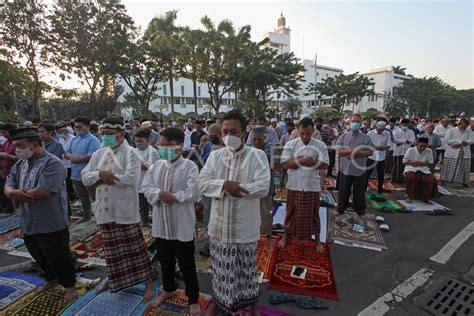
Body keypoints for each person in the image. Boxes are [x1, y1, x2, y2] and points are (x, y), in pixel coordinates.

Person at [198, 111, 270, 316]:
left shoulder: (257, 155)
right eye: (225, 131)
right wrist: (223, 185)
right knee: (220, 272)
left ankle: (253, 307)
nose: (228, 135)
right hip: (219, 227)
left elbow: (263, 187)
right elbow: (202, 183)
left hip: (244, 227)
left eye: (233, 131)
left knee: (246, 272)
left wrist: (237, 188)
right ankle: (219, 304)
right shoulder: (215, 156)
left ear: (244, 131)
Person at [81, 117, 154, 299]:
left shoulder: (130, 153)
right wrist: (100, 174)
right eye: (103, 133)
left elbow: (131, 179)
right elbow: (85, 177)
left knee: (136, 250)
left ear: (121, 134)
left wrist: (106, 177)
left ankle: (148, 283)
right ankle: (113, 279)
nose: (105, 137)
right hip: (104, 210)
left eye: (110, 134)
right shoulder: (99, 153)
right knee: (112, 251)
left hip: (125, 209)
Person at [4, 127, 77, 302]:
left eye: (20, 146)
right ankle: (51, 280)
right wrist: (11, 193)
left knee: (59, 255)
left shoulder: (52, 163)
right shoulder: (20, 164)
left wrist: (17, 194)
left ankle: (70, 286)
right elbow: (8, 185)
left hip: (51, 220)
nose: (17, 150)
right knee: (39, 254)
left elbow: (45, 191)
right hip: (28, 220)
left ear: (34, 144)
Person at [141, 127, 201, 315]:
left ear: (179, 146)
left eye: (169, 145)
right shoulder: (156, 166)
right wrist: (159, 194)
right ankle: (168, 288)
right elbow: (146, 187)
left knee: (186, 264)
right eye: (162, 144)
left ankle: (193, 298)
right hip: (161, 224)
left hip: (182, 224)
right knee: (165, 260)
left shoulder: (189, 166)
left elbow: (194, 192)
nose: (164, 148)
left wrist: (174, 197)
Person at [279, 117, 329, 251]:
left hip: (311, 186)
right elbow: (285, 163)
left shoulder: (320, 145)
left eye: (308, 133)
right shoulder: (291, 144)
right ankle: (285, 236)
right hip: (294, 184)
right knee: (290, 212)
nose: (305, 136)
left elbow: (324, 165)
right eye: (302, 133)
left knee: (314, 214)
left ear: (313, 131)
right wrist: (302, 160)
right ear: (298, 131)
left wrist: (311, 162)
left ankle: (317, 240)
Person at [64, 116, 101, 223]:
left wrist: (77, 159)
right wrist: (73, 158)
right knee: (82, 196)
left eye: (80, 127)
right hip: (76, 173)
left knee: (95, 197)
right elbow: (66, 152)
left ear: (87, 127)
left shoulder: (93, 140)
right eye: (75, 127)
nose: (77, 129)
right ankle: (87, 215)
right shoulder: (75, 140)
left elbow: (92, 156)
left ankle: (100, 217)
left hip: (89, 174)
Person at [336, 114, 374, 216]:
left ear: (361, 124)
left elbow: (370, 152)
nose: (355, 124)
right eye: (354, 121)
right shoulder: (343, 136)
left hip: (359, 169)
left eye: (358, 122)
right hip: (345, 169)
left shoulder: (366, 138)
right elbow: (338, 151)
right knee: (343, 190)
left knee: (359, 191)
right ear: (349, 123)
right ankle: (341, 208)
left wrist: (356, 153)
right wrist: (351, 151)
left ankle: (360, 209)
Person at [251, 126, 276, 245]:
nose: (256, 142)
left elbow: (266, 162)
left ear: (264, 138)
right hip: (252, 185)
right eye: (254, 139)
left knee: (266, 212)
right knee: (252, 212)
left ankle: (268, 235)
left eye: (259, 139)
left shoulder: (269, 147)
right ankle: (254, 235)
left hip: (266, 185)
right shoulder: (250, 148)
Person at [134, 129, 160, 226]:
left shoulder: (152, 152)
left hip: (150, 182)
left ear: (147, 141)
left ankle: (157, 221)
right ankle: (144, 221)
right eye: (136, 141)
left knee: (153, 204)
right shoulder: (133, 151)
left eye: (141, 141)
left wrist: (139, 165)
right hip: (137, 182)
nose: (138, 143)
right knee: (141, 205)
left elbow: (153, 167)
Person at [441, 118, 474, 188]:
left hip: (464, 153)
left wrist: (461, 144)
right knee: (449, 167)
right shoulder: (451, 130)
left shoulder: (469, 131)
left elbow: (472, 140)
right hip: (452, 152)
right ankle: (445, 181)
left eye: (465, 127)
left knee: (465, 168)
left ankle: (464, 182)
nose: (464, 128)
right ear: (459, 124)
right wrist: (460, 142)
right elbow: (447, 140)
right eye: (463, 126)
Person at [403, 138, 438, 203]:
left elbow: (430, 162)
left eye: (425, 146)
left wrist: (422, 163)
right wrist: (413, 162)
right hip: (411, 168)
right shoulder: (410, 150)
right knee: (411, 177)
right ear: (417, 144)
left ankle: (426, 197)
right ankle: (409, 196)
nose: (422, 148)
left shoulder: (429, 151)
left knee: (432, 179)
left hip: (423, 169)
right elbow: (404, 161)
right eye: (421, 146)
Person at [365, 121, 392, 193]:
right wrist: (378, 147)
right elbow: (367, 145)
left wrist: (384, 147)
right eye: (379, 129)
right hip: (371, 156)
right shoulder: (370, 133)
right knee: (367, 174)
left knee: (381, 174)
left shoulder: (387, 133)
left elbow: (389, 145)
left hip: (381, 157)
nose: (380, 131)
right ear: (376, 127)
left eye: (382, 130)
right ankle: (363, 188)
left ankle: (380, 189)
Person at [0, 123, 19, 213]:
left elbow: (22, 158)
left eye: (4, 132)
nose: (3, 135)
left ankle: (17, 210)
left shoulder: (18, 142)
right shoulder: (6, 143)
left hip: (17, 172)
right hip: (7, 171)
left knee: (17, 192)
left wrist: (8, 156)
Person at [391, 119, 416, 183]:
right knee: (397, 166)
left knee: (406, 166)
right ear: (400, 124)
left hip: (407, 152)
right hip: (398, 152)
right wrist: (405, 141)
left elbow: (413, 141)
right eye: (404, 125)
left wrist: (401, 142)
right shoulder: (396, 131)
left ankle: (404, 179)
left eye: (406, 125)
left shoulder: (411, 131)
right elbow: (394, 140)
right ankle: (395, 179)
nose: (405, 126)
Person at [56, 123, 76, 202]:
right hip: (63, 163)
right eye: (59, 132)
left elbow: (71, 151)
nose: (60, 134)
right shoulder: (61, 139)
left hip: (70, 163)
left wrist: (65, 153)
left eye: (62, 132)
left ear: (66, 131)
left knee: (69, 182)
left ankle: (72, 196)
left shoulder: (73, 139)